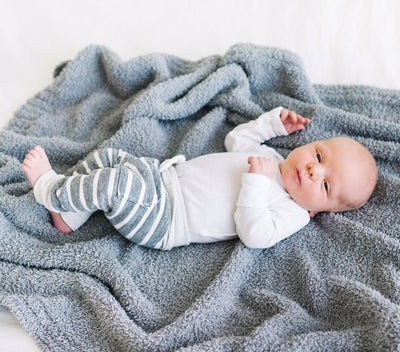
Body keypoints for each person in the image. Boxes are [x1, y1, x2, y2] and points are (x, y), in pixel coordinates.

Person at [21, 107, 378, 250]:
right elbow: (236, 142)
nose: (315, 170)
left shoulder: (295, 212)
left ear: (320, 210)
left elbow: (257, 236)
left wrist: (256, 183)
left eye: (326, 185)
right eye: (318, 155)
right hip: (161, 181)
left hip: (166, 220)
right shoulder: (274, 158)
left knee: (117, 185)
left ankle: (51, 191)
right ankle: (68, 217)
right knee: (110, 159)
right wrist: (271, 125)